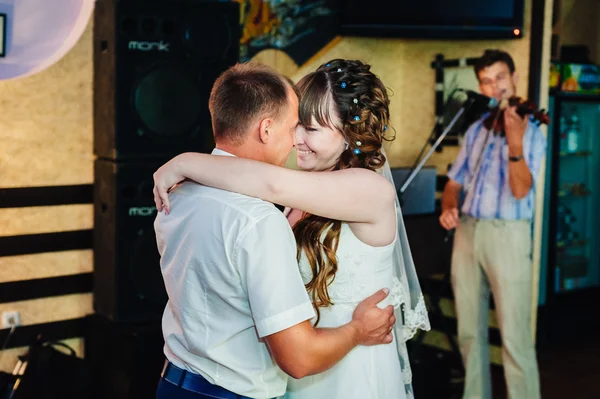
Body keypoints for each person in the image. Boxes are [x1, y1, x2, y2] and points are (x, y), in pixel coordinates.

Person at [153, 59, 430, 399]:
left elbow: (270, 183)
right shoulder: (300, 190)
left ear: (350, 135)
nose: (296, 138)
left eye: (310, 129)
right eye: (296, 124)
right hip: (298, 362)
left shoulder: (370, 190)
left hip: (349, 370)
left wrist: (183, 161)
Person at [439, 49, 546, 399]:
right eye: (486, 81)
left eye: (500, 77)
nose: (494, 86)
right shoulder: (477, 130)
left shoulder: (530, 130)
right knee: (469, 331)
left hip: (508, 235)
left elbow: (520, 190)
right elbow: (454, 182)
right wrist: (449, 207)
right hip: (468, 231)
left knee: (514, 336)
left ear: (513, 77)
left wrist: (515, 143)